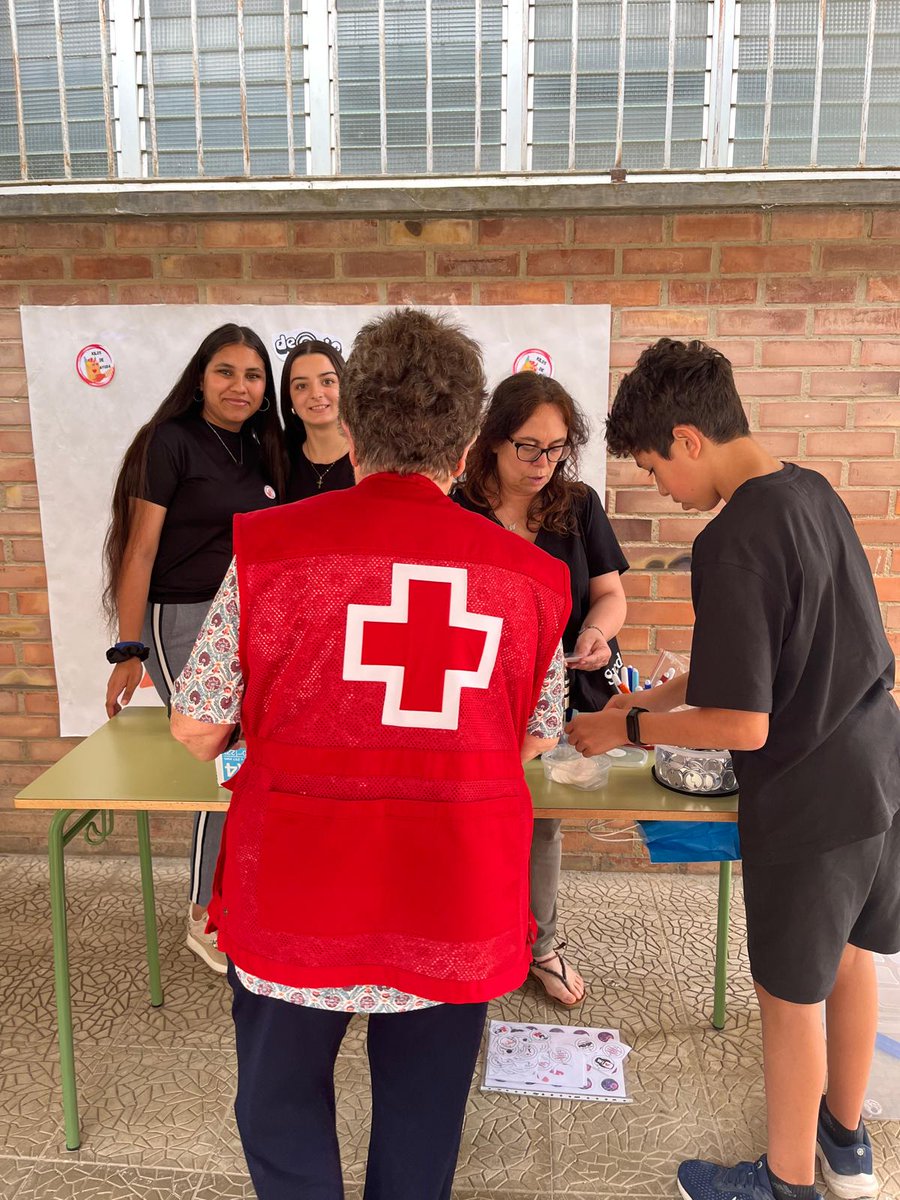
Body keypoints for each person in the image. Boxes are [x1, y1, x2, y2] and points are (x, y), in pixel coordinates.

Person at [170, 308, 571, 1200]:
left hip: (298, 890)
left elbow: (199, 727)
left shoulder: (270, 553)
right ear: (468, 443)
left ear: (351, 424)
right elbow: (537, 736)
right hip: (454, 895)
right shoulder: (535, 580)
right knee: (425, 1121)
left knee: (279, 1109)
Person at [568, 338, 900, 1200]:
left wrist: (629, 728)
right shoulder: (811, 491)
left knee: (789, 996)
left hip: (810, 794)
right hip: (879, 765)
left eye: (651, 470)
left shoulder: (732, 541)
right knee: (853, 956)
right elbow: (744, 665)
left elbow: (743, 724)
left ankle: (783, 1183)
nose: (661, 492)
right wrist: (646, 702)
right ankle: (844, 1144)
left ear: (687, 438)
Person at [103, 323, 286, 974]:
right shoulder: (172, 442)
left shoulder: (265, 449)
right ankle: (204, 913)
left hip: (248, 623)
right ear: (201, 378)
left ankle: (243, 894)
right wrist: (128, 649)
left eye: (253, 375)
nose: (239, 386)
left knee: (255, 763)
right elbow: (140, 547)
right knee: (226, 757)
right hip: (179, 619)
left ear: (267, 391)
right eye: (225, 372)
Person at [455, 371, 628, 1007]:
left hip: (560, 696)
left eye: (556, 449)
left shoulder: (577, 505)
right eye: (528, 447)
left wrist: (595, 632)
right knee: (469, 822)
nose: (542, 463)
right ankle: (468, 937)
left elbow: (611, 595)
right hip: (474, 697)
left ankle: (541, 945)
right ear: (493, 441)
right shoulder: (458, 506)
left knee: (543, 826)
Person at [280, 338, 355, 502]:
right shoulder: (279, 462)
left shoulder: (372, 459)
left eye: (327, 381)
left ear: (346, 387)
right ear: (289, 398)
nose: (316, 393)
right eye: (301, 386)